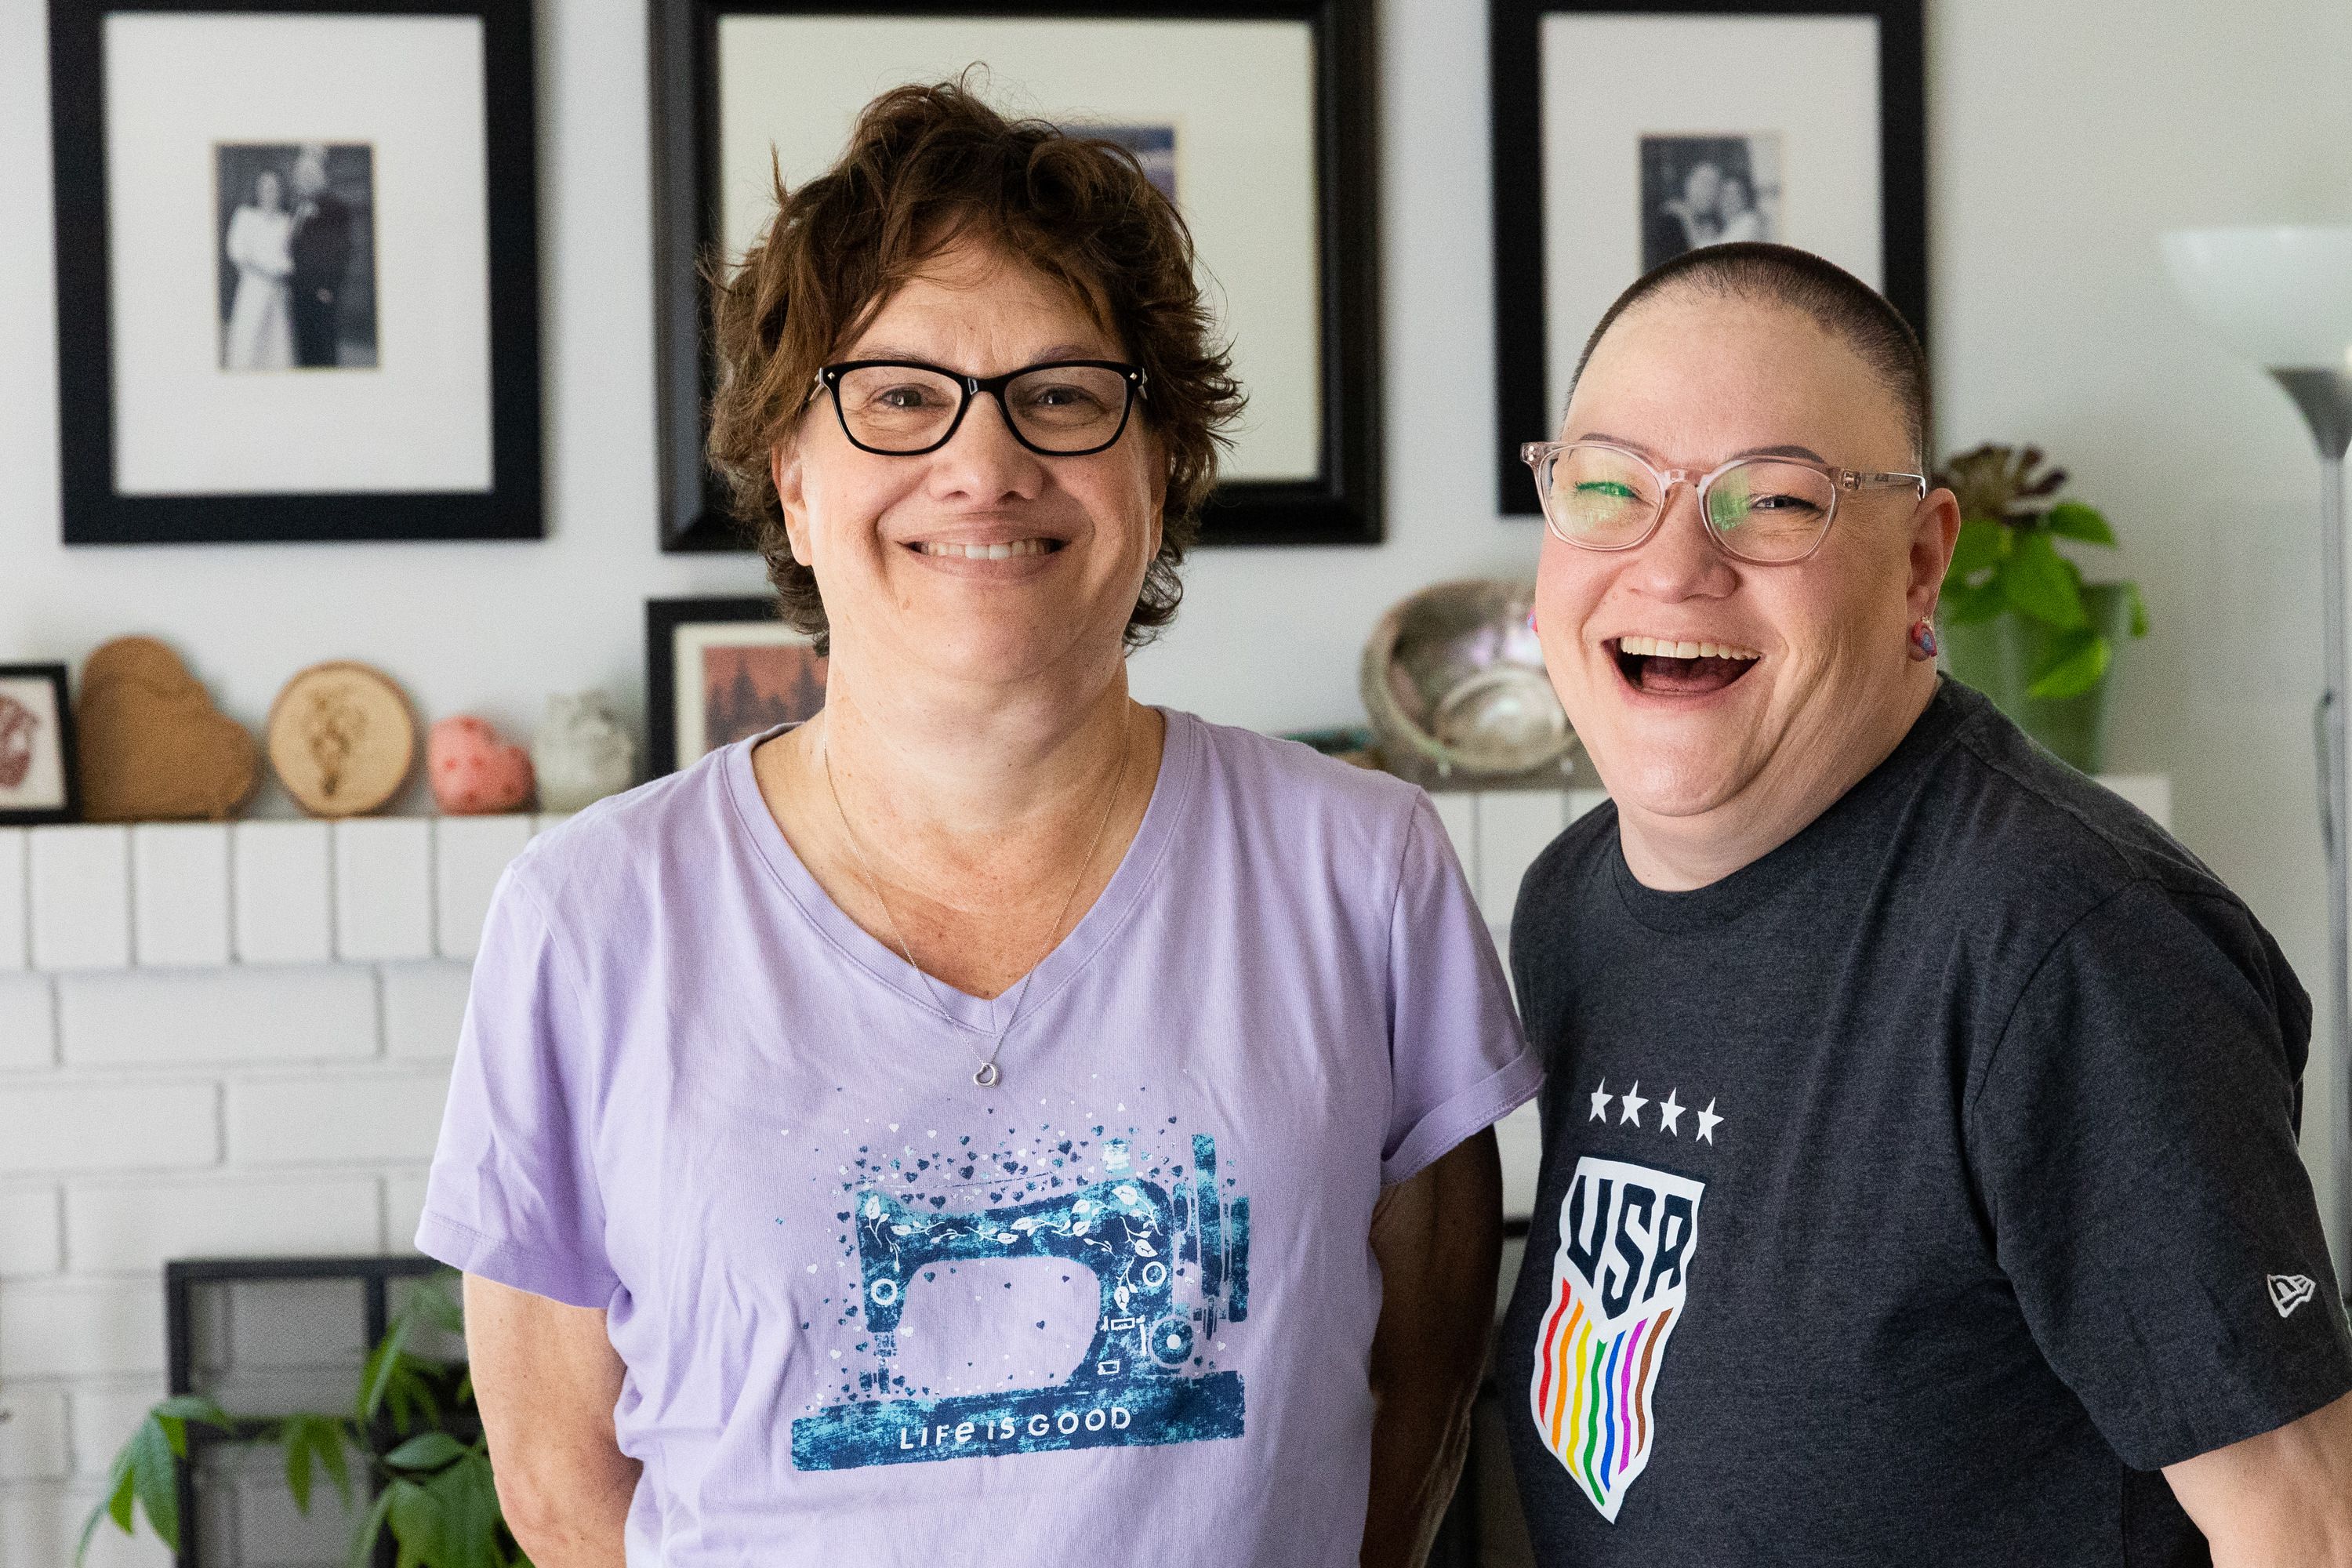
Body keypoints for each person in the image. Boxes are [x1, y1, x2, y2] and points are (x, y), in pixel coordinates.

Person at [416, 82, 1537, 1567]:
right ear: (793, 483)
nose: (985, 464)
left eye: (1062, 394)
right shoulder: (589, 917)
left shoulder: (1362, 875)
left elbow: (1424, 1397)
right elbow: (561, 1488)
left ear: (1159, 468)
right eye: (897, 396)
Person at [1500, 241, 2352, 1563]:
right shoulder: (1572, 904)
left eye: (1775, 502)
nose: (1673, 568)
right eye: (1610, 486)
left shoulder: (2071, 945)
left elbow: (2306, 1521)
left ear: (1918, 563)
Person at [221, 167, 293, 371]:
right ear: (257, 190)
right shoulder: (245, 216)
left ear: (280, 191)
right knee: (248, 339)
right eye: (265, 187)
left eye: (274, 188)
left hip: (277, 290)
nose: (269, 192)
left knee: (275, 344)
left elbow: (289, 258)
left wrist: (282, 270)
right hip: (252, 287)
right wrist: (268, 269)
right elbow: (237, 251)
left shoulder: (285, 221)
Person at [287, 144, 351, 368]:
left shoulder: (335, 208)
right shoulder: (297, 209)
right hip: (299, 293)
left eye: (308, 177)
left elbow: (342, 251)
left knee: (323, 353)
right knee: (304, 351)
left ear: (320, 178)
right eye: (300, 177)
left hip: (321, 293)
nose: (303, 182)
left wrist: (328, 288)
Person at [1714, 173, 1766, 243]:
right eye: (1726, 193)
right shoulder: (1727, 227)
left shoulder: (1749, 221)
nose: (1730, 199)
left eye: (1735, 194)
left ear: (1744, 198)